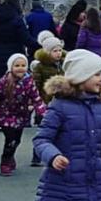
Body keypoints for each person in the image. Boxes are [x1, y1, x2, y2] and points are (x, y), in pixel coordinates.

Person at [33, 49, 101, 201]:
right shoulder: (59, 106)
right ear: (80, 77)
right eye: (97, 75)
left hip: (94, 185)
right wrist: (53, 156)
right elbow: (41, 139)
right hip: (63, 186)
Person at [0, 53, 47, 176]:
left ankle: (10, 156)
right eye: (17, 65)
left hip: (21, 115)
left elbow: (36, 98)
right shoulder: (4, 82)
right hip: (5, 115)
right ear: (11, 67)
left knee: (17, 140)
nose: (20, 68)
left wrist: (42, 111)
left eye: (23, 65)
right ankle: (5, 162)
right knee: (10, 139)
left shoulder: (28, 82)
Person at [29, 31, 65, 166]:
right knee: (44, 130)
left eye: (60, 50)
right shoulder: (40, 67)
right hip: (45, 102)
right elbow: (35, 84)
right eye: (55, 51)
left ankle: (56, 154)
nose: (58, 53)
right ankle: (37, 154)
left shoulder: (63, 65)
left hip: (61, 102)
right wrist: (35, 101)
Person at [0, 0, 34, 89]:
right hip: (14, 57)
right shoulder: (17, 20)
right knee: (15, 90)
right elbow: (26, 39)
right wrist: (40, 46)